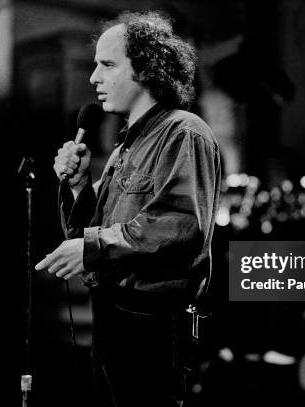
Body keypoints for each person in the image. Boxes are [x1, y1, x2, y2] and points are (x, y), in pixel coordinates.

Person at [35, 11, 221, 407]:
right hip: (116, 316)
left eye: (107, 65)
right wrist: (80, 185)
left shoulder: (183, 132)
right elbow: (89, 231)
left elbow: (179, 224)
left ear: (146, 70)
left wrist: (93, 247)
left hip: (154, 324)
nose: (93, 78)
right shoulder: (126, 147)